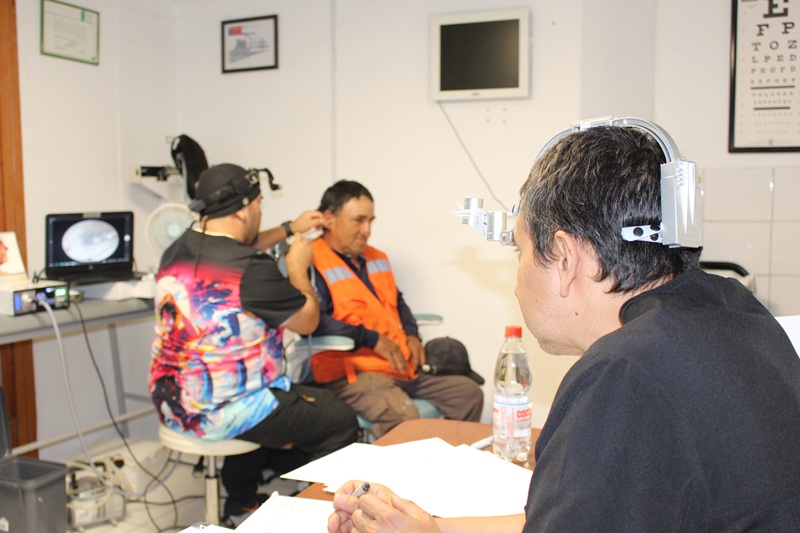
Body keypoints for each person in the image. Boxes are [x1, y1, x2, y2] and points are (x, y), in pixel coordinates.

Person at [327, 123, 800, 532]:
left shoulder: (625, 373)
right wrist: (432, 526)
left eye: (520, 251)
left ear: (566, 258)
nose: (517, 281)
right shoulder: (736, 313)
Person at [148, 163, 359, 520]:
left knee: (283, 402)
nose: (261, 210)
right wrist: (297, 266)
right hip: (221, 410)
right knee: (337, 418)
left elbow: (236, 246)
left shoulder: (178, 249)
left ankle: (243, 497)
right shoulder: (253, 269)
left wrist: (289, 228)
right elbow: (307, 321)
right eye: (260, 203)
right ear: (244, 208)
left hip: (172, 401)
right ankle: (311, 521)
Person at [309, 180, 483, 438]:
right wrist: (371, 339)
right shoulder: (310, 261)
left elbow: (398, 302)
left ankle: (448, 460)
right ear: (328, 219)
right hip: (353, 374)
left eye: (370, 221)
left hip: (399, 365)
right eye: (358, 220)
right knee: (403, 417)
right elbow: (315, 323)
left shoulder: (376, 257)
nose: (367, 231)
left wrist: (412, 334)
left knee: (468, 394)